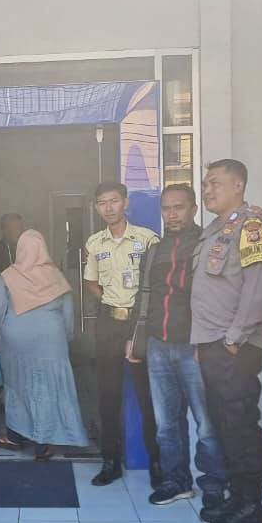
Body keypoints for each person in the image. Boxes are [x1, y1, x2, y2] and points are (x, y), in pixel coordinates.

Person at [128, 184, 227, 510]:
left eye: (179, 207)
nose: (171, 214)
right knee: (166, 424)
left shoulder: (207, 244)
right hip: (158, 345)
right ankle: (176, 482)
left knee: (207, 424)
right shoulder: (154, 250)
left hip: (194, 346)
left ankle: (214, 486)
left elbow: (219, 296)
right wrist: (136, 339)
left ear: (194, 209)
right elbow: (144, 296)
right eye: (166, 208)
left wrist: (211, 341)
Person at [191, 159, 262, 523]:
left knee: (240, 426)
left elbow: (256, 291)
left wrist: (232, 339)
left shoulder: (252, 226)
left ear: (238, 185)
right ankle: (236, 497)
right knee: (225, 425)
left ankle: (252, 508)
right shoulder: (215, 229)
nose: (207, 190)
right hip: (213, 343)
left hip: (235, 347)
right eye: (206, 183)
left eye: (215, 183)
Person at [83, 181, 160, 486]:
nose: (109, 207)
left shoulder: (147, 239)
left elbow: (155, 285)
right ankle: (110, 462)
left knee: (146, 395)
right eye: (102, 202)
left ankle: (157, 463)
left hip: (139, 323)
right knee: (108, 396)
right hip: (109, 324)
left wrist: (136, 317)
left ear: (125, 202)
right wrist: (109, 300)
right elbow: (91, 281)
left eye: (114, 201)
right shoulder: (95, 243)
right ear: (96, 207)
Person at [0, 230, 88, 457]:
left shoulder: (8, 276)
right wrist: (65, 338)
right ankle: (45, 441)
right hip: (51, 341)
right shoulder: (57, 276)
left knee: (17, 386)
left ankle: (15, 436)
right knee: (49, 387)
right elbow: (68, 316)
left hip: (16, 341)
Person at [0, 213, 25, 286]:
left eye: (21, 228)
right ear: (6, 231)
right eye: (16, 228)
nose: (20, 232)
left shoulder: (22, 246)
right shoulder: (1, 250)